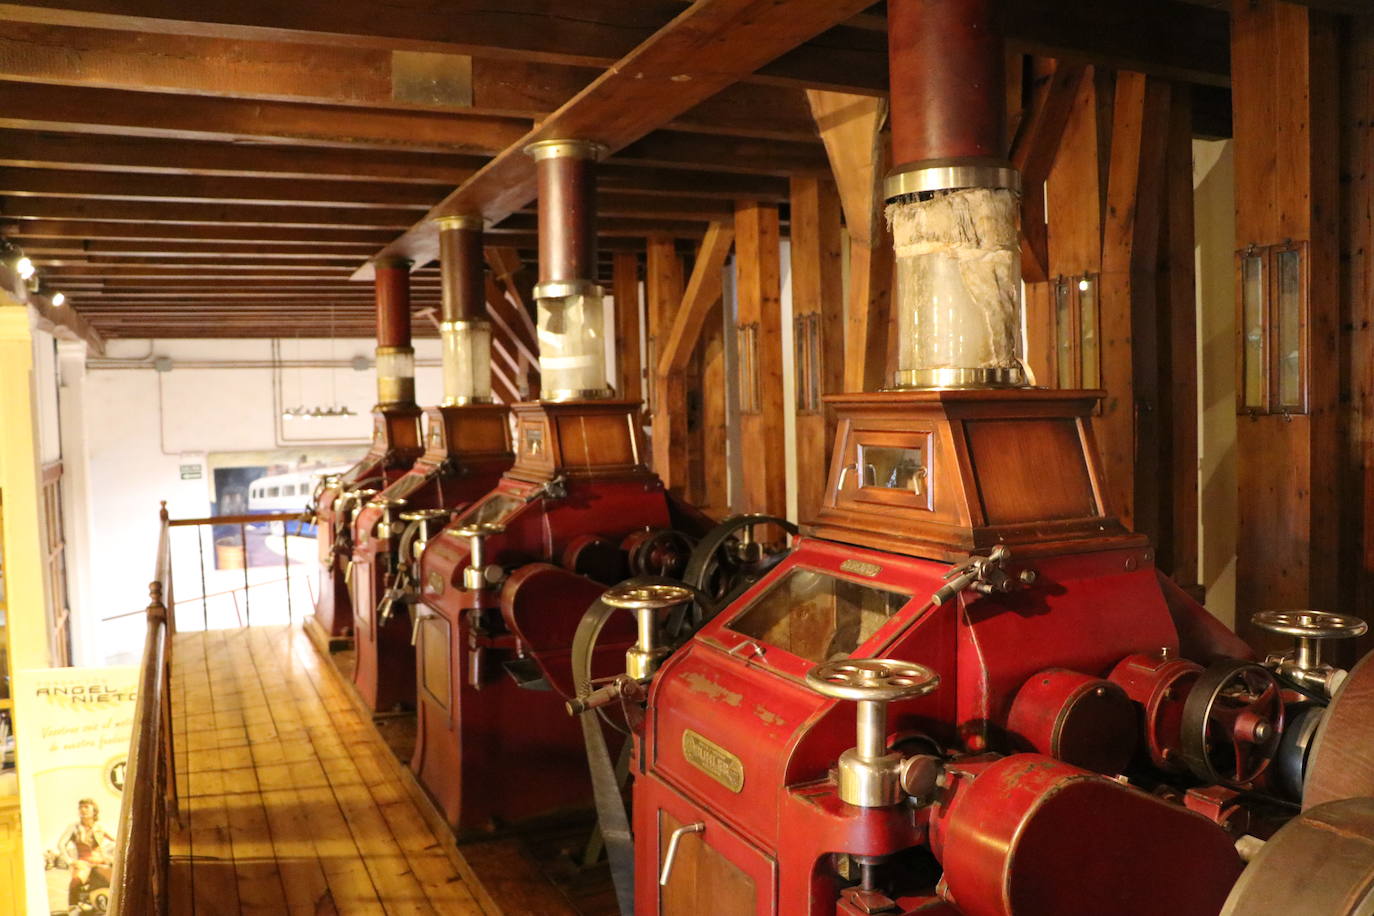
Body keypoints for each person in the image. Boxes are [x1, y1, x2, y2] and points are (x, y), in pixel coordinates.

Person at [54, 798, 115, 907]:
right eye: (80, 807)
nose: (83, 809)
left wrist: (112, 856)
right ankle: (72, 908)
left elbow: (117, 840)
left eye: (86, 807)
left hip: (101, 862)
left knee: (115, 881)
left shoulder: (100, 826)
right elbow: (61, 844)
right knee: (76, 881)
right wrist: (70, 861)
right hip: (83, 863)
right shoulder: (73, 827)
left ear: (94, 810)